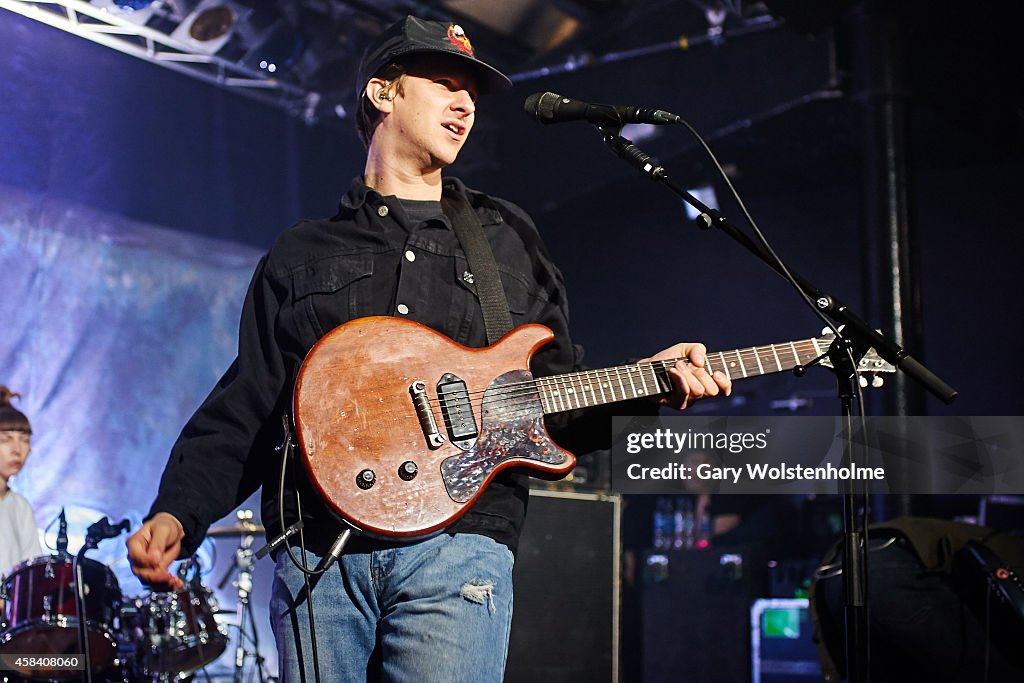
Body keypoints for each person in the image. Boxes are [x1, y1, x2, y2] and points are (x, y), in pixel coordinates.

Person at [127, 15, 732, 682]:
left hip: (460, 549)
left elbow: (550, 403)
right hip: (321, 551)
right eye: (443, 82)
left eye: (471, 91)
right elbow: (252, 399)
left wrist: (650, 384)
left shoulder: (509, 241)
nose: (464, 102)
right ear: (383, 94)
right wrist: (178, 509)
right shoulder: (303, 253)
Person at [0, 385, 42, 576]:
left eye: (24, 439)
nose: (17, 449)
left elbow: (30, 574)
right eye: (6, 439)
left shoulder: (20, 506)